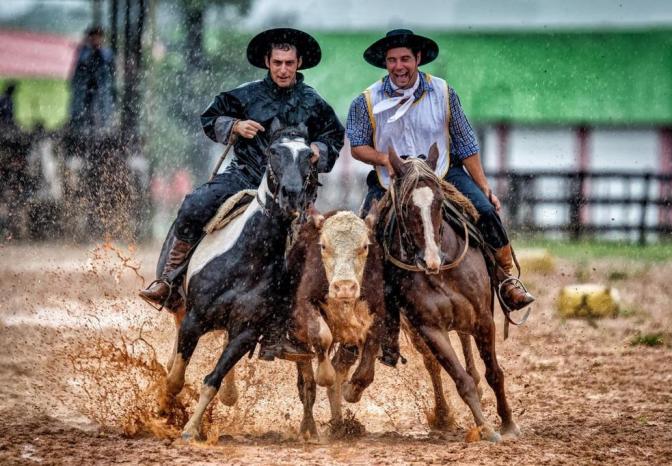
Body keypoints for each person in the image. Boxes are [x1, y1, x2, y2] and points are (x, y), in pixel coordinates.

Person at [139, 28, 345, 360]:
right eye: (277, 62)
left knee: (302, 251)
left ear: (299, 63)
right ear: (267, 62)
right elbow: (210, 117)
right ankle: (170, 280)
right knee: (194, 204)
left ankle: (291, 325)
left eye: (289, 63)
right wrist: (235, 126)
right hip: (243, 176)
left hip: (291, 191)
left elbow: (334, 137)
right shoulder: (245, 94)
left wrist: (319, 149)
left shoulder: (313, 102)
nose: (282, 69)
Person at [346, 29, 535, 366]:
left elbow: (465, 143)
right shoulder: (366, 101)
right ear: (385, 63)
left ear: (418, 59)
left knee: (485, 212)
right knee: (365, 238)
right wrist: (387, 160)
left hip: (444, 174)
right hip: (392, 178)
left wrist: (485, 187)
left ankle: (507, 279)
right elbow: (358, 146)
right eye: (392, 60)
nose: (399, 66)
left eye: (405, 59)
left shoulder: (444, 93)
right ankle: (369, 316)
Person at [68, 26, 116, 133]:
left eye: (98, 38)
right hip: (84, 92)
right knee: (82, 115)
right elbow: (79, 70)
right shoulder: (83, 52)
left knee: (102, 115)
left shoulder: (106, 53)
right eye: (93, 38)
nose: (95, 40)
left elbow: (109, 71)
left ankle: (101, 130)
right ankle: (82, 130)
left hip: (101, 93)